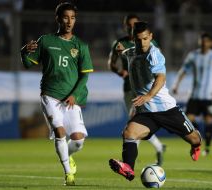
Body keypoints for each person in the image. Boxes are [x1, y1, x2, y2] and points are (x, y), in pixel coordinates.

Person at [109, 21, 202, 181]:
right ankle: (128, 168)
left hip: (166, 109)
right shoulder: (131, 52)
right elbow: (124, 53)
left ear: (150, 36)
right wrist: (118, 52)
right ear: (133, 39)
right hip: (146, 112)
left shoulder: (154, 54)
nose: (143, 43)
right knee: (129, 133)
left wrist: (149, 95)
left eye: (145, 39)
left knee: (194, 138)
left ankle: (196, 145)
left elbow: (160, 77)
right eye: (138, 40)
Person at [20, 2, 93, 186]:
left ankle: (67, 156)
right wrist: (23, 52)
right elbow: (28, 64)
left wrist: (75, 94)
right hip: (50, 95)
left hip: (71, 99)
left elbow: (85, 77)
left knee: (78, 141)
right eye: (66, 17)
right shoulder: (45, 41)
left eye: (73, 18)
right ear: (58, 19)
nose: (69, 21)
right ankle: (68, 174)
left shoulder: (81, 46)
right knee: (60, 132)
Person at [108, 14, 166, 166]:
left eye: (134, 25)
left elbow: (157, 62)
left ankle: (129, 162)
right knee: (135, 123)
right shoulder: (119, 43)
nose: (131, 28)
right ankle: (159, 147)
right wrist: (120, 71)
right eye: (129, 25)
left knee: (134, 122)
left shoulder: (149, 42)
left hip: (146, 89)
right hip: (129, 87)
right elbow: (111, 63)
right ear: (125, 26)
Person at [172, 32, 212, 156]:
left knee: (209, 122)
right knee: (189, 120)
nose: (204, 43)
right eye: (202, 41)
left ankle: (207, 147)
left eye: (206, 41)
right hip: (194, 95)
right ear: (199, 42)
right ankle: (197, 141)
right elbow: (183, 70)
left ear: (210, 43)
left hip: (209, 96)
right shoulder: (193, 55)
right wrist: (176, 84)